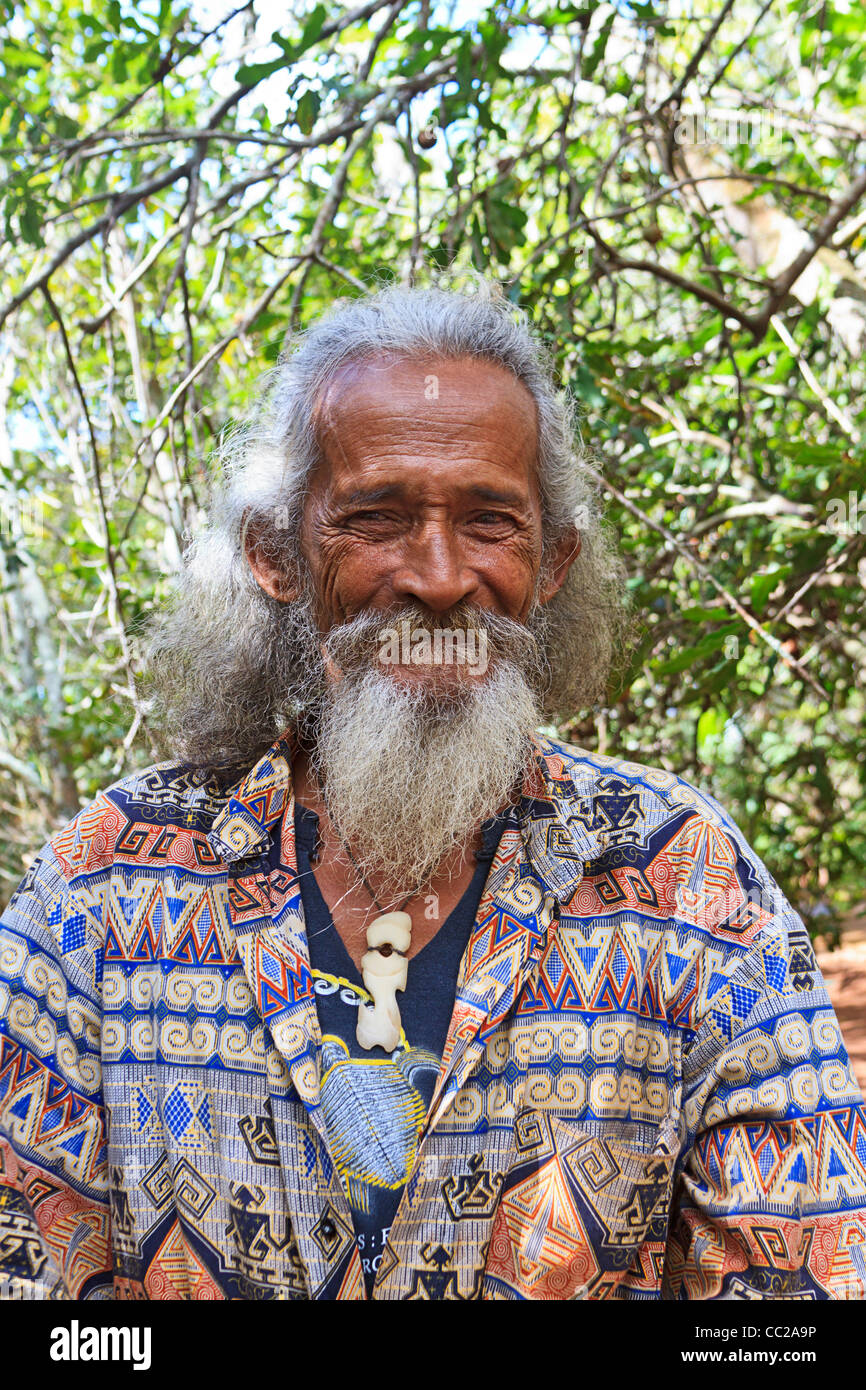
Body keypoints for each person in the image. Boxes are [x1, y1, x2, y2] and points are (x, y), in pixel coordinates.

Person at [1, 282, 864, 1302]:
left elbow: (794, 1312)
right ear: (277, 556)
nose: (441, 575)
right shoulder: (106, 883)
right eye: (377, 517)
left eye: (490, 521)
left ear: (552, 563)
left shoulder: (686, 883)